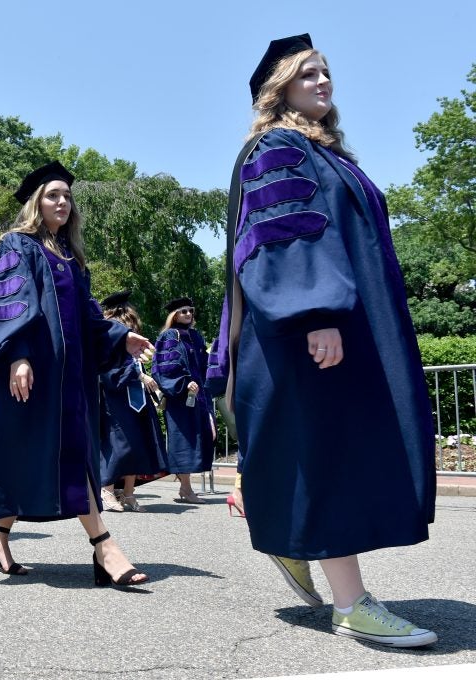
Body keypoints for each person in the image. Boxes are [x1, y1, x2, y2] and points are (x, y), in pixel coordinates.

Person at [216, 33, 437, 647]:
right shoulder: (277, 147)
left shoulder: (329, 154)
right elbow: (283, 236)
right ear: (279, 86)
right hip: (307, 325)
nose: (322, 80)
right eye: (307, 73)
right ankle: (351, 604)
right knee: (332, 449)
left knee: (335, 445)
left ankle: (282, 528)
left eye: (325, 71)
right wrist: (315, 313)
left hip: (335, 323)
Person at [0, 161, 153, 587]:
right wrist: (17, 355)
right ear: (36, 202)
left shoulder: (69, 258)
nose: (63, 202)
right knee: (30, 455)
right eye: (53, 195)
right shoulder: (15, 246)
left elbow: (88, 317)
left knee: (59, 454)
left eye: (67, 196)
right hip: (29, 375)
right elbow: (3, 306)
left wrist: (120, 337)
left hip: (67, 380)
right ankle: (104, 546)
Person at [98, 291, 168, 513]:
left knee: (137, 442)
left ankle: (129, 494)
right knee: (119, 443)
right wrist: (138, 375)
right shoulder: (106, 332)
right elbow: (107, 369)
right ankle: (106, 490)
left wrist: (141, 375)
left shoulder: (130, 337)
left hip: (136, 396)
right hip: (115, 395)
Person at [151, 297, 215, 504]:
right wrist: (184, 383)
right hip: (181, 398)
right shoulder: (170, 335)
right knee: (184, 440)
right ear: (174, 315)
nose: (188, 314)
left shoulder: (195, 336)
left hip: (200, 397)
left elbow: (205, 366)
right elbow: (164, 367)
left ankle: (185, 488)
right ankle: (186, 489)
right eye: (183, 311)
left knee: (200, 438)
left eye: (191, 311)